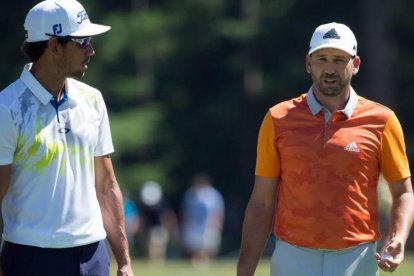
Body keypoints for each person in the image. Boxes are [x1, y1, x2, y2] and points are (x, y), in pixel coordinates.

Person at [237, 22, 414, 276]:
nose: (329, 68)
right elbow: (262, 201)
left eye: (339, 60)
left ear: (355, 64)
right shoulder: (278, 118)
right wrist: (245, 270)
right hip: (292, 256)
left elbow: (403, 193)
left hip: (357, 257)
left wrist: (397, 237)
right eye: (322, 59)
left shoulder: (382, 120)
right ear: (309, 63)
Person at [0, 1, 134, 275]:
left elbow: (106, 187)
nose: (91, 50)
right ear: (54, 45)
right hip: (30, 258)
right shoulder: (7, 108)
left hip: (93, 255)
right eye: (82, 41)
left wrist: (124, 261)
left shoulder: (92, 100)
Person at [181, 173, 225, 265]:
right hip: (194, 226)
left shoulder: (213, 195)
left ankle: (208, 263)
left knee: (210, 247)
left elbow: (218, 211)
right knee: (195, 247)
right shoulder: (190, 194)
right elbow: (185, 211)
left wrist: (218, 224)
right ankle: (200, 263)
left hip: (210, 224)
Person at [138, 181, 178, 263]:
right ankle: (153, 262)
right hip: (150, 228)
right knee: (151, 247)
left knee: (159, 248)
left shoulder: (163, 204)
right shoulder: (145, 205)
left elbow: (167, 216)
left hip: (159, 228)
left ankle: (158, 263)